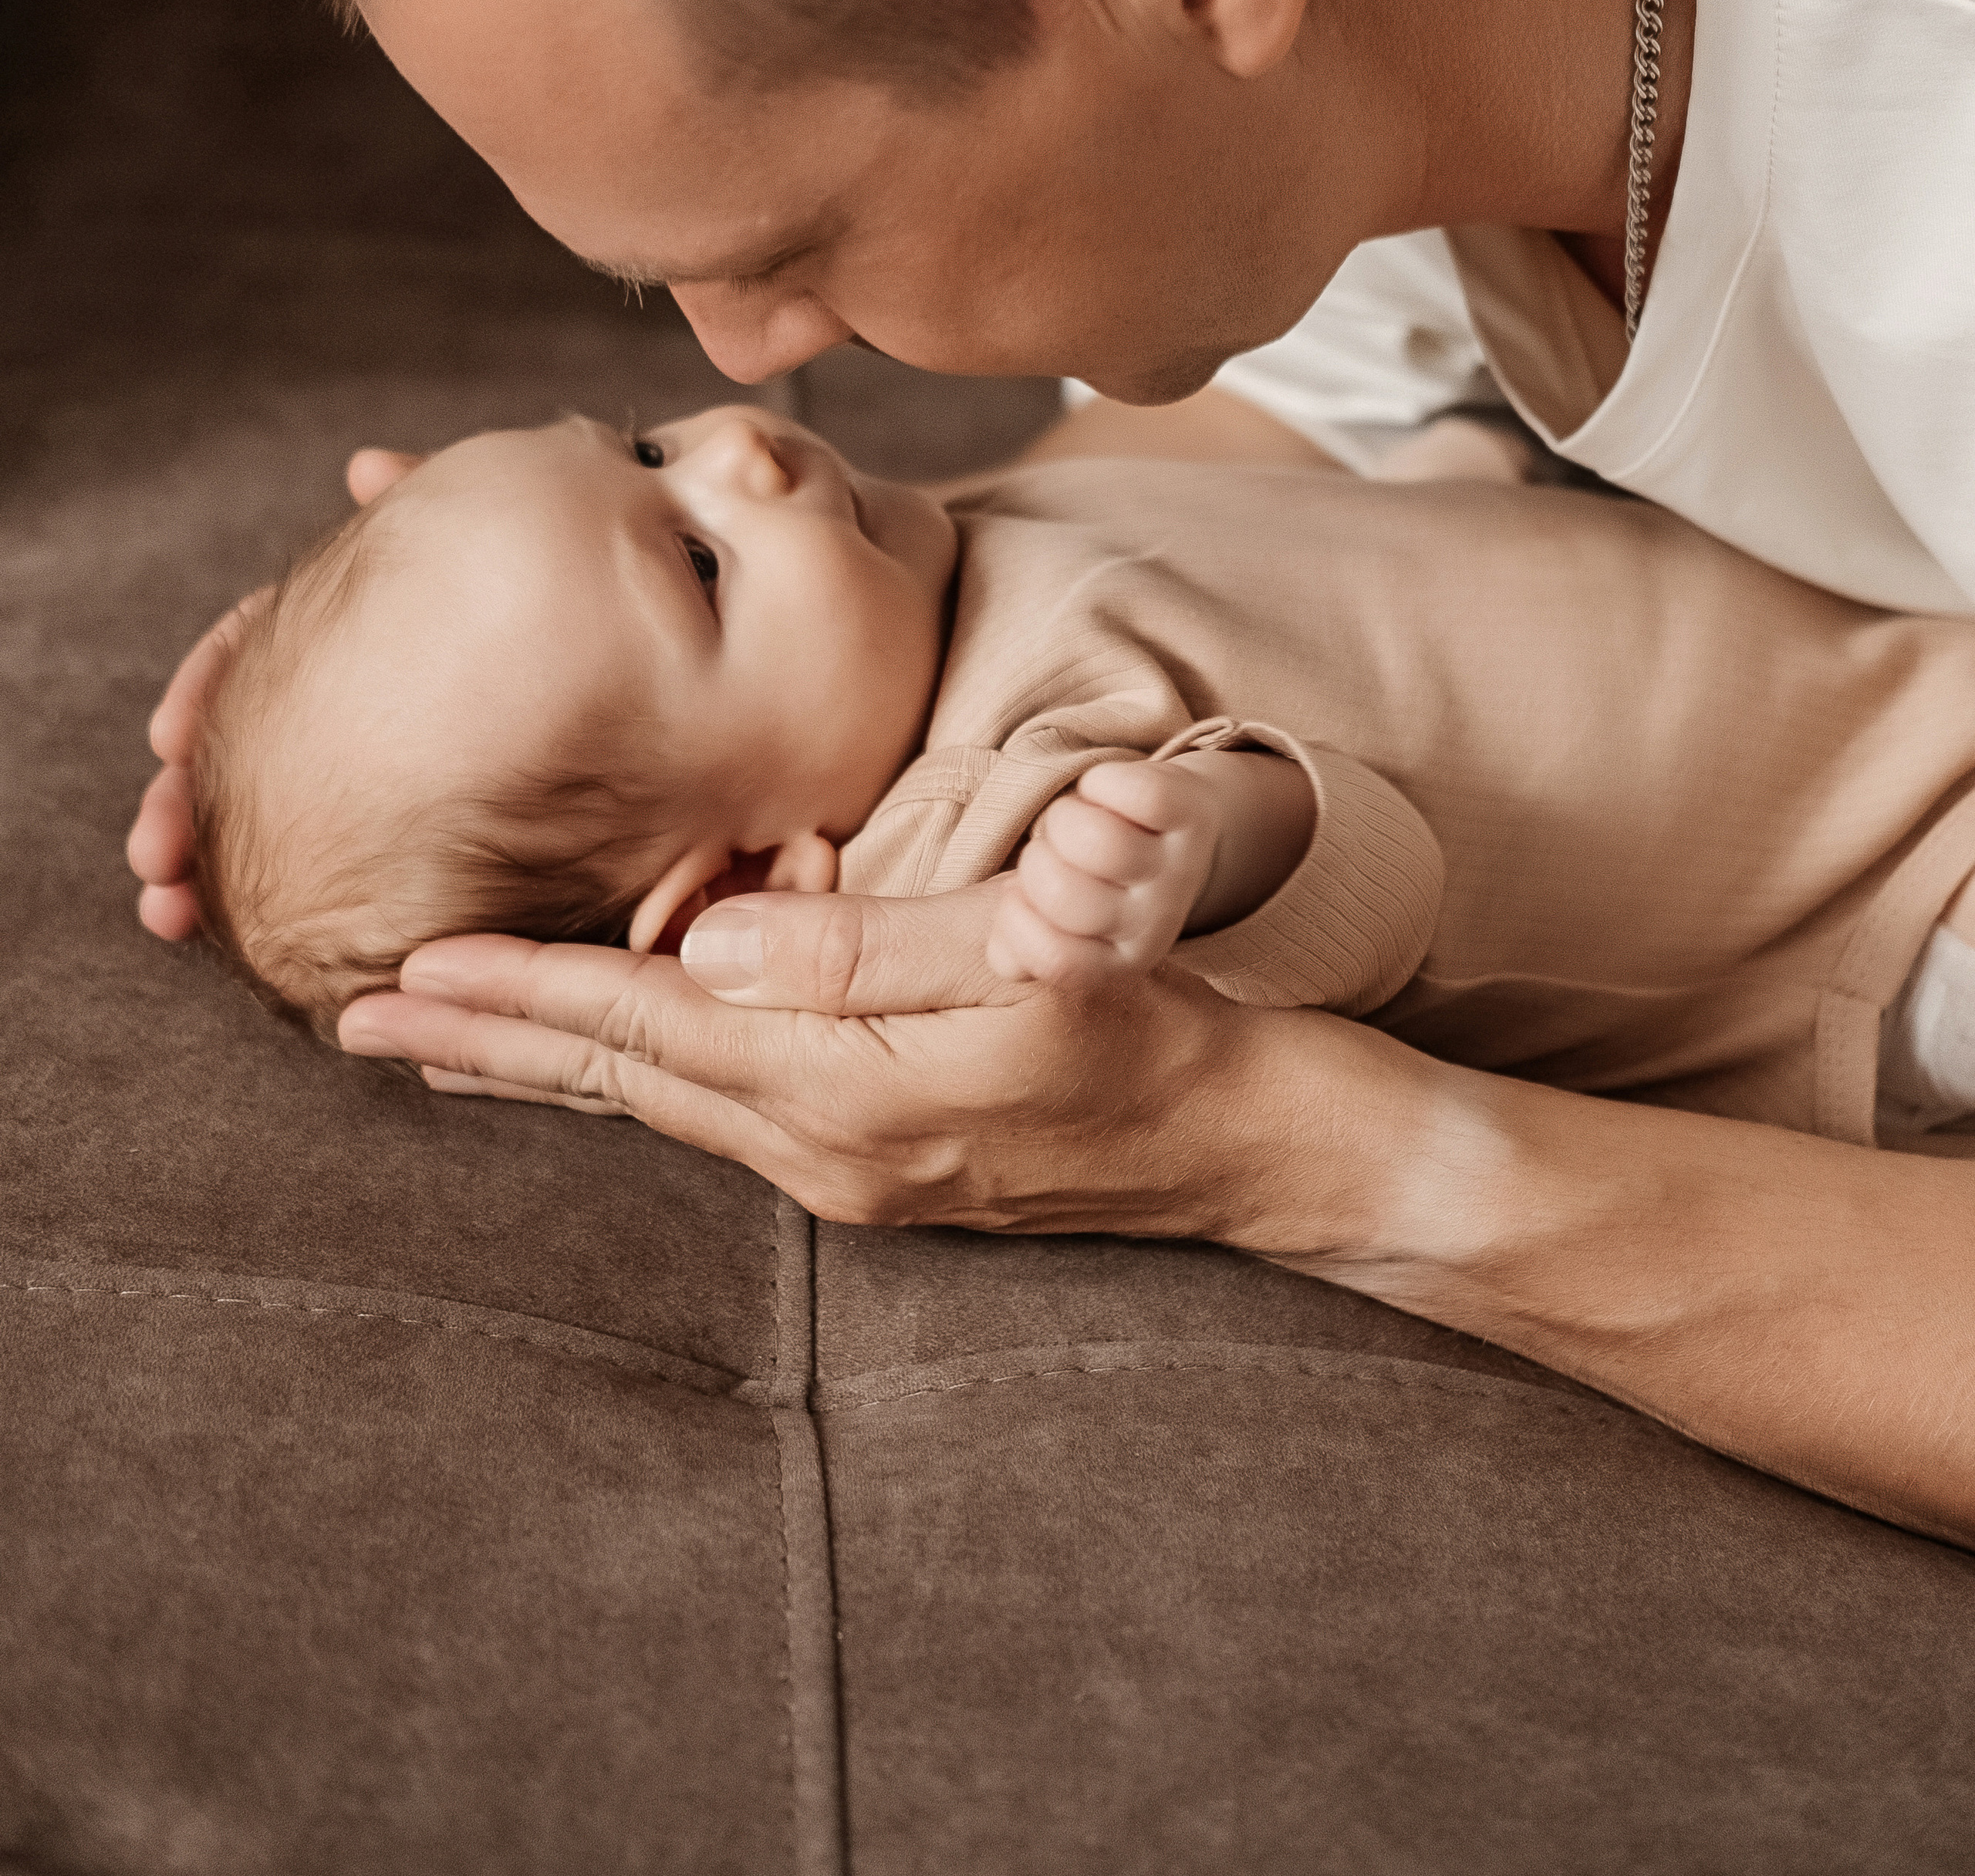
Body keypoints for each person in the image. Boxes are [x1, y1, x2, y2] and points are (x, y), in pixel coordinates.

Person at [125, 0, 1975, 1540]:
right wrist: (407, 721)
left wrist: (1296, 1152)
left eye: (783, 237)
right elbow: (1324, 419)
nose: (757, 376)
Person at [191, 401, 1975, 1154]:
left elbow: (1267, 567)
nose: (743, 446)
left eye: (644, 445)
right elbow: (1366, 890)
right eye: (701, 561)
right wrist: (1194, 850)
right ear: (738, 889)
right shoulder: (979, 831)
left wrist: (1442, 491)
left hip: (1860, 659)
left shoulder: (937, 566)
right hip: (1880, 919)